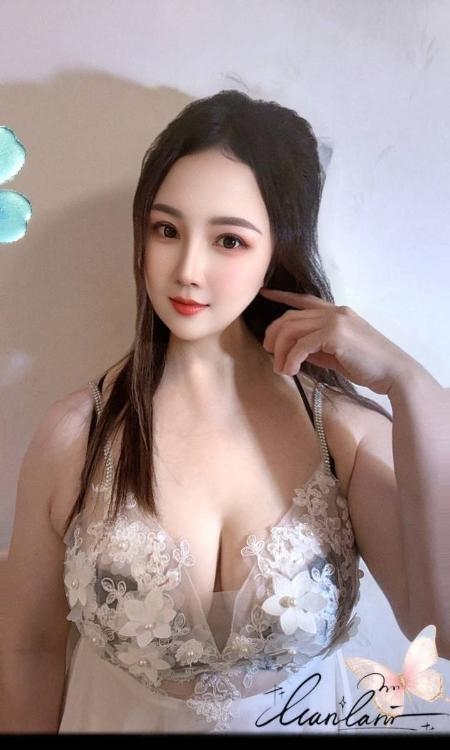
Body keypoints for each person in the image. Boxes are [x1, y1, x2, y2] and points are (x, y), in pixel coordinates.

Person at [1, 90, 449, 735]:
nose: (187, 269)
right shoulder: (78, 435)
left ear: (278, 249)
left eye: (229, 240)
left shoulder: (342, 435)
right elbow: (28, 649)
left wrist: (409, 384)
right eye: (166, 230)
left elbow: (442, 628)